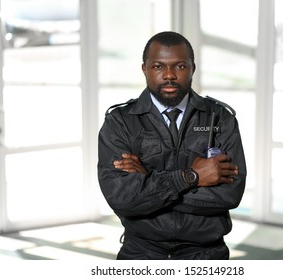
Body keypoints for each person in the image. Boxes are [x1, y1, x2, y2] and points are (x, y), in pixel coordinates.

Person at [97, 31, 246, 260]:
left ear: (192, 69)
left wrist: (149, 181)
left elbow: (229, 195)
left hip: (205, 254)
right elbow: (123, 199)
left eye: (180, 67)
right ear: (144, 69)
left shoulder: (220, 118)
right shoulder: (120, 121)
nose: (169, 75)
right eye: (158, 66)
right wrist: (191, 177)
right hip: (140, 253)